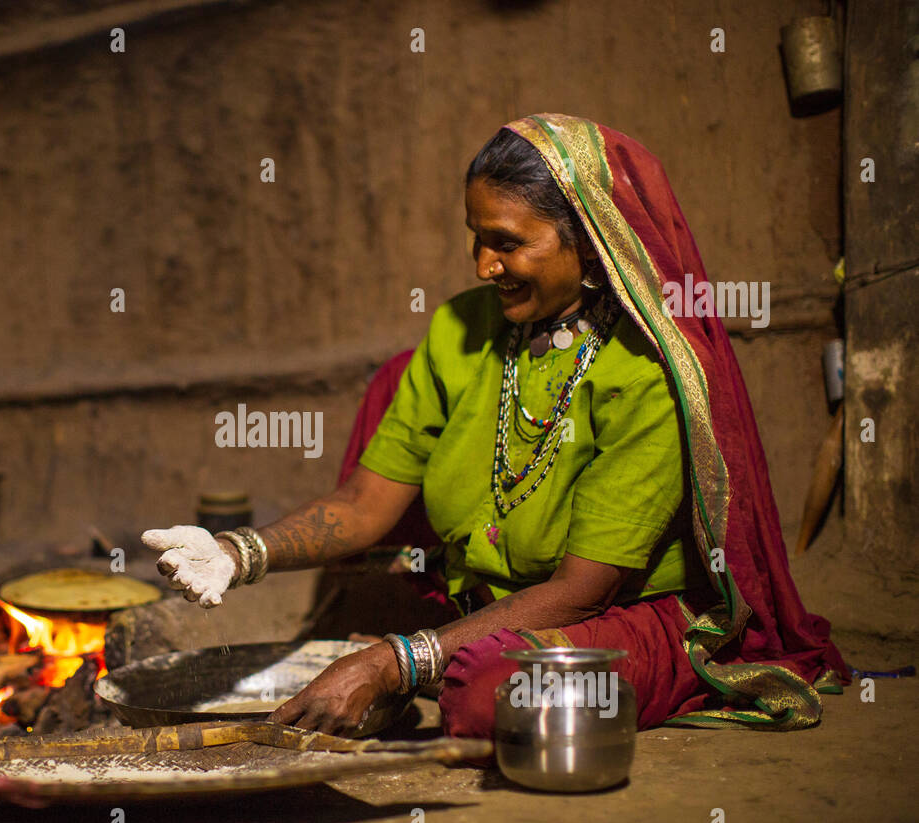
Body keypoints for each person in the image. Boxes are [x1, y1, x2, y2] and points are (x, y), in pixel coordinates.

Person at [142, 113, 851, 739]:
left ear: (593, 241)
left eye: (508, 243)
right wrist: (239, 554)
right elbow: (366, 506)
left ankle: (461, 659)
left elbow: (584, 590)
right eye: (476, 240)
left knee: (489, 693)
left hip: (619, 611)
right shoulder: (462, 330)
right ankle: (437, 650)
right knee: (397, 393)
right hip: (488, 605)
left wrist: (396, 661)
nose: (484, 266)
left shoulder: (648, 374)